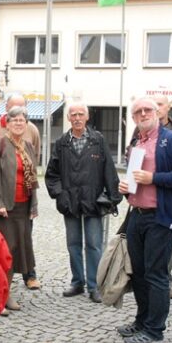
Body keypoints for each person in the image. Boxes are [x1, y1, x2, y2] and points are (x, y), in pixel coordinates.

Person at [116, 97, 172, 343]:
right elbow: (135, 179)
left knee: (156, 274)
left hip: (161, 217)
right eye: (137, 111)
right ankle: (142, 321)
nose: (143, 114)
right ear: (133, 117)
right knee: (138, 273)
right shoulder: (136, 142)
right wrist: (125, 188)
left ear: (158, 112)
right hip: (137, 215)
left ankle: (154, 330)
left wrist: (153, 177)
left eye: (147, 109)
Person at [46, 101, 120, 303]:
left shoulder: (98, 140)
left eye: (81, 114)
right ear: (68, 118)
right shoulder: (61, 143)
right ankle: (77, 282)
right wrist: (60, 194)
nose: (77, 118)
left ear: (87, 117)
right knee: (73, 244)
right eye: (73, 114)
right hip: (70, 201)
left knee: (94, 245)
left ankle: (94, 286)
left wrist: (113, 197)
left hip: (93, 201)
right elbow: (52, 174)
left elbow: (109, 170)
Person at [0, 92, 41, 287]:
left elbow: (33, 174)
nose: (19, 123)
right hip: (3, 206)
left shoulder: (28, 144)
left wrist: (33, 205)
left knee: (18, 249)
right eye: (14, 120)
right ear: (7, 120)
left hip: (22, 206)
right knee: (3, 248)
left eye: (22, 120)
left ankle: (8, 288)